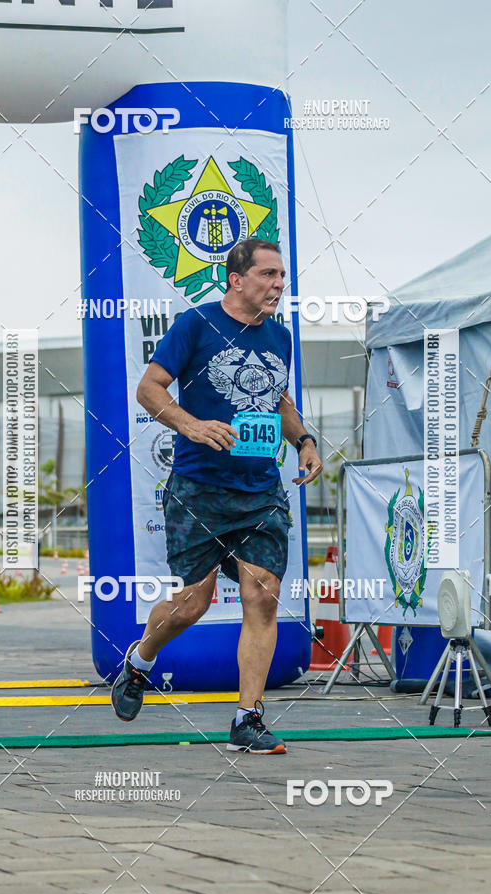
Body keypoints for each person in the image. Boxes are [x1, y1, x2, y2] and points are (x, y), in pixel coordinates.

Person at [111, 239, 322, 754]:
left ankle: (247, 718)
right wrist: (192, 424)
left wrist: (304, 441)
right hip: (199, 490)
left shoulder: (281, 337)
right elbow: (150, 389)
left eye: (282, 277)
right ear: (236, 279)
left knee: (263, 593)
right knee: (192, 604)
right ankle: (140, 661)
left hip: (260, 491)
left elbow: (280, 399)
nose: (278, 285)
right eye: (268, 275)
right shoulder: (195, 325)